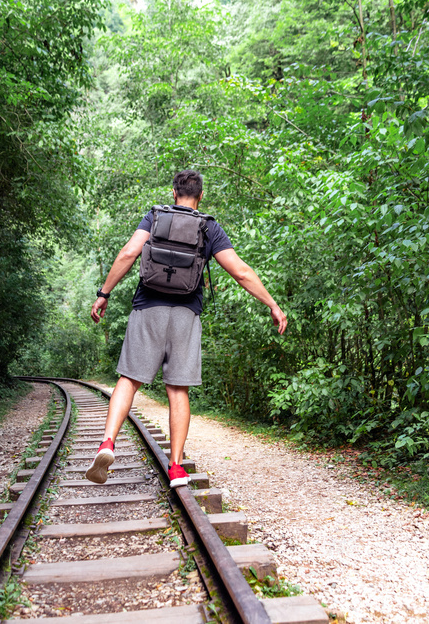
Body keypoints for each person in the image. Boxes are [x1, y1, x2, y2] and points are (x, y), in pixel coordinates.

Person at [86, 169, 287, 487]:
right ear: (201, 195)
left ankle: (108, 442)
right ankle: (176, 467)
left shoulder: (154, 217)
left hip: (147, 308)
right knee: (177, 389)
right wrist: (272, 304)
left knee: (129, 380)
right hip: (186, 314)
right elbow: (241, 272)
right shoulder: (208, 227)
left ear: (174, 192)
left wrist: (104, 293)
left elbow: (127, 253)